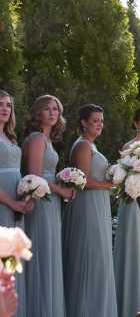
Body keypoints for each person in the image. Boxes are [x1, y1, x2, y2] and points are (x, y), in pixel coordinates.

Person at [62, 104, 118, 316]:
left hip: (97, 205)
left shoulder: (91, 146)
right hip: (87, 207)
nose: (100, 124)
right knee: (90, 257)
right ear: (84, 122)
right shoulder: (83, 146)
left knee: (98, 259)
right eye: (95, 120)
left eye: (102, 121)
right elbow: (83, 181)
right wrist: (111, 185)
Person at [23, 95, 73, 317]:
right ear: (38, 113)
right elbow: (34, 177)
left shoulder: (47, 140)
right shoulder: (36, 139)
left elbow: (46, 175)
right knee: (41, 254)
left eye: (56, 109)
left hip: (50, 203)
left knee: (49, 255)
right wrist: (61, 190)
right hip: (40, 203)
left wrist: (63, 182)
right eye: (48, 109)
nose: (53, 113)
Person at [114, 108, 140, 317]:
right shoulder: (128, 147)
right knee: (133, 247)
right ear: (136, 123)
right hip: (132, 203)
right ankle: (130, 303)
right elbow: (121, 178)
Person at [0, 90, 32, 317]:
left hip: (16, 204)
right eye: (0, 104)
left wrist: (27, 195)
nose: (4, 109)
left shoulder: (11, 138)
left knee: (12, 257)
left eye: (8, 105)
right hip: (3, 203)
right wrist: (11, 202)